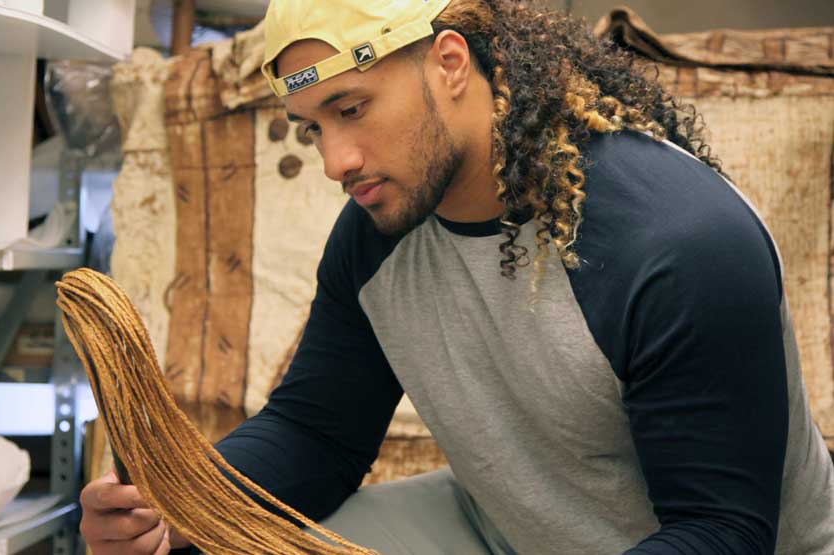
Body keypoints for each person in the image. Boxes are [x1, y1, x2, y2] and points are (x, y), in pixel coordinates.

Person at [79, 0, 834, 553]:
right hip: (505, 526)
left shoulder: (679, 242)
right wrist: (178, 503)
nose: (335, 161)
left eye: (352, 108)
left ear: (449, 62)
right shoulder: (378, 233)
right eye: (313, 128)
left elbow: (722, 530)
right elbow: (318, 431)